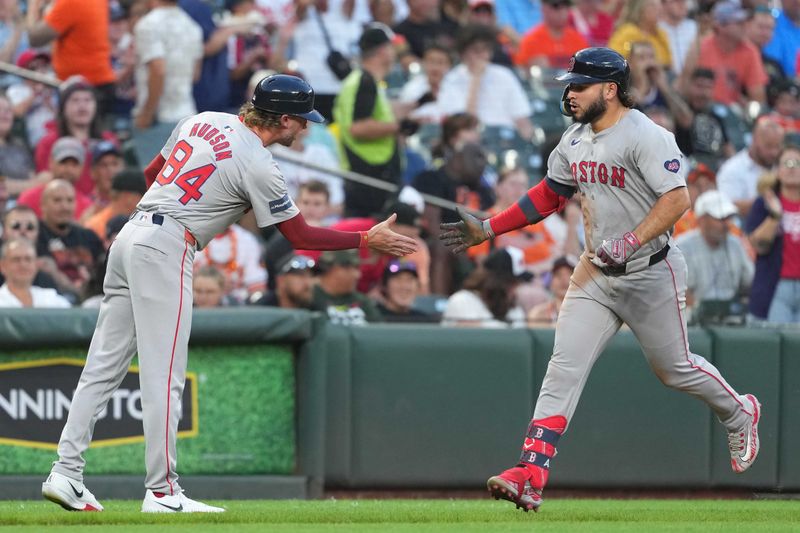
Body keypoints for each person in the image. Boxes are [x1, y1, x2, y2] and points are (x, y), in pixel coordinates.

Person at [42, 74, 416, 513]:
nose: (306, 128)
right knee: (164, 375)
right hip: (166, 246)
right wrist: (364, 239)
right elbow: (298, 235)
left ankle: (66, 472)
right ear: (281, 120)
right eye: (302, 120)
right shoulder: (257, 162)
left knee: (102, 366)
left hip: (131, 236)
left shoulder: (201, 119)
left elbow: (151, 175)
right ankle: (162, 492)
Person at [439, 47, 761, 512]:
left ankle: (740, 411)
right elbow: (548, 196)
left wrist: (631, 241)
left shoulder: (646, 135)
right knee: (562, 369)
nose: (569, 93)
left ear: (610, 89)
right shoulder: (574, 139)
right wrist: (490, 227)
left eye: (579, 85)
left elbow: (677, 201)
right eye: (570, 84)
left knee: (675, 369)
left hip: (651, 271)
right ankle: (530, 474)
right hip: (594, 271)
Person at [131, 0, 203, 167]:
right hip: (187, 116)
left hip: (158, 119)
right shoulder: (192, 26)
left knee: (154, 187)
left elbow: (158, 70)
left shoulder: (147, 25)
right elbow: (195, 74)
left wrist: (147, 114)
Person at [676, 190, 753, 322]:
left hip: (730, 315)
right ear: (702, 220)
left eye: (728, 218)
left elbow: (749, 281)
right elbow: (677, 290)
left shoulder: (735, 243)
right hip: (692, 317)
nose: (726, 224)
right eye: (720, 219)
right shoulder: (682, 245)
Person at [25, 0, 116, 111]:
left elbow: (35, 38)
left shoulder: (71, 2)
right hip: (92, 83)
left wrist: (33, 5)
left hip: (84, 88)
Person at [745, 145, 800, 324]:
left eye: (797, 163)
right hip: (776, 284)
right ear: (777, 170)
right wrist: (775, 216)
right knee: (777, 342)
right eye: (787, 163)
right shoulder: (764, 204)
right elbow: (758, 246)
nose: (792, 167)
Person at [441, 246, 529, 327]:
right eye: (512, 283)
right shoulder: (463, 301)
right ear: (496, 283)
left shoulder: (513, 309)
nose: (515, 289)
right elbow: (473, 338)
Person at [717, 117, 784, 217]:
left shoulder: (783, 165)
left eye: (777, 146)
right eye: (768, 146)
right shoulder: (732, 169)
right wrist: (768, 202)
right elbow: (727, 207)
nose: (774, 152)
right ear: (754, 140)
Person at [311, 249, 384, 325]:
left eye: (357, 268)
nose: (358, 275)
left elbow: (380, 332)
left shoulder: (362, 301)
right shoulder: (310, 297)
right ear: (331, 269)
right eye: (349, 268)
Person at [514, 0, 589, 69]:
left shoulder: (577, 39)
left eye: (566, 6)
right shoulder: (531, 41)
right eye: (556, 6)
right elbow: (520, 71)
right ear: (543, 8)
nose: (563, 11)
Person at [0, 238, 71, 308]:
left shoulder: (51, 299)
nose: (23, 265)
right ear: (2, 266)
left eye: (28, 259)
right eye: (16, 260)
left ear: (36, 265)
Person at [607, 0, 672, 68]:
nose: (659, 9)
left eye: (660, 5)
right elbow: (612, 59)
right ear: (640, 9)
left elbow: (669, 63)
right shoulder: (628, 32)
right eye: (652, 5)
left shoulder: (661, 34)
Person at [527, 255, 576, 325]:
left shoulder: (588, 313)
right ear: (551, 282)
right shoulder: (538, 315)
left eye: (570, 274)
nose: (564, 279)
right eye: (558, 274)